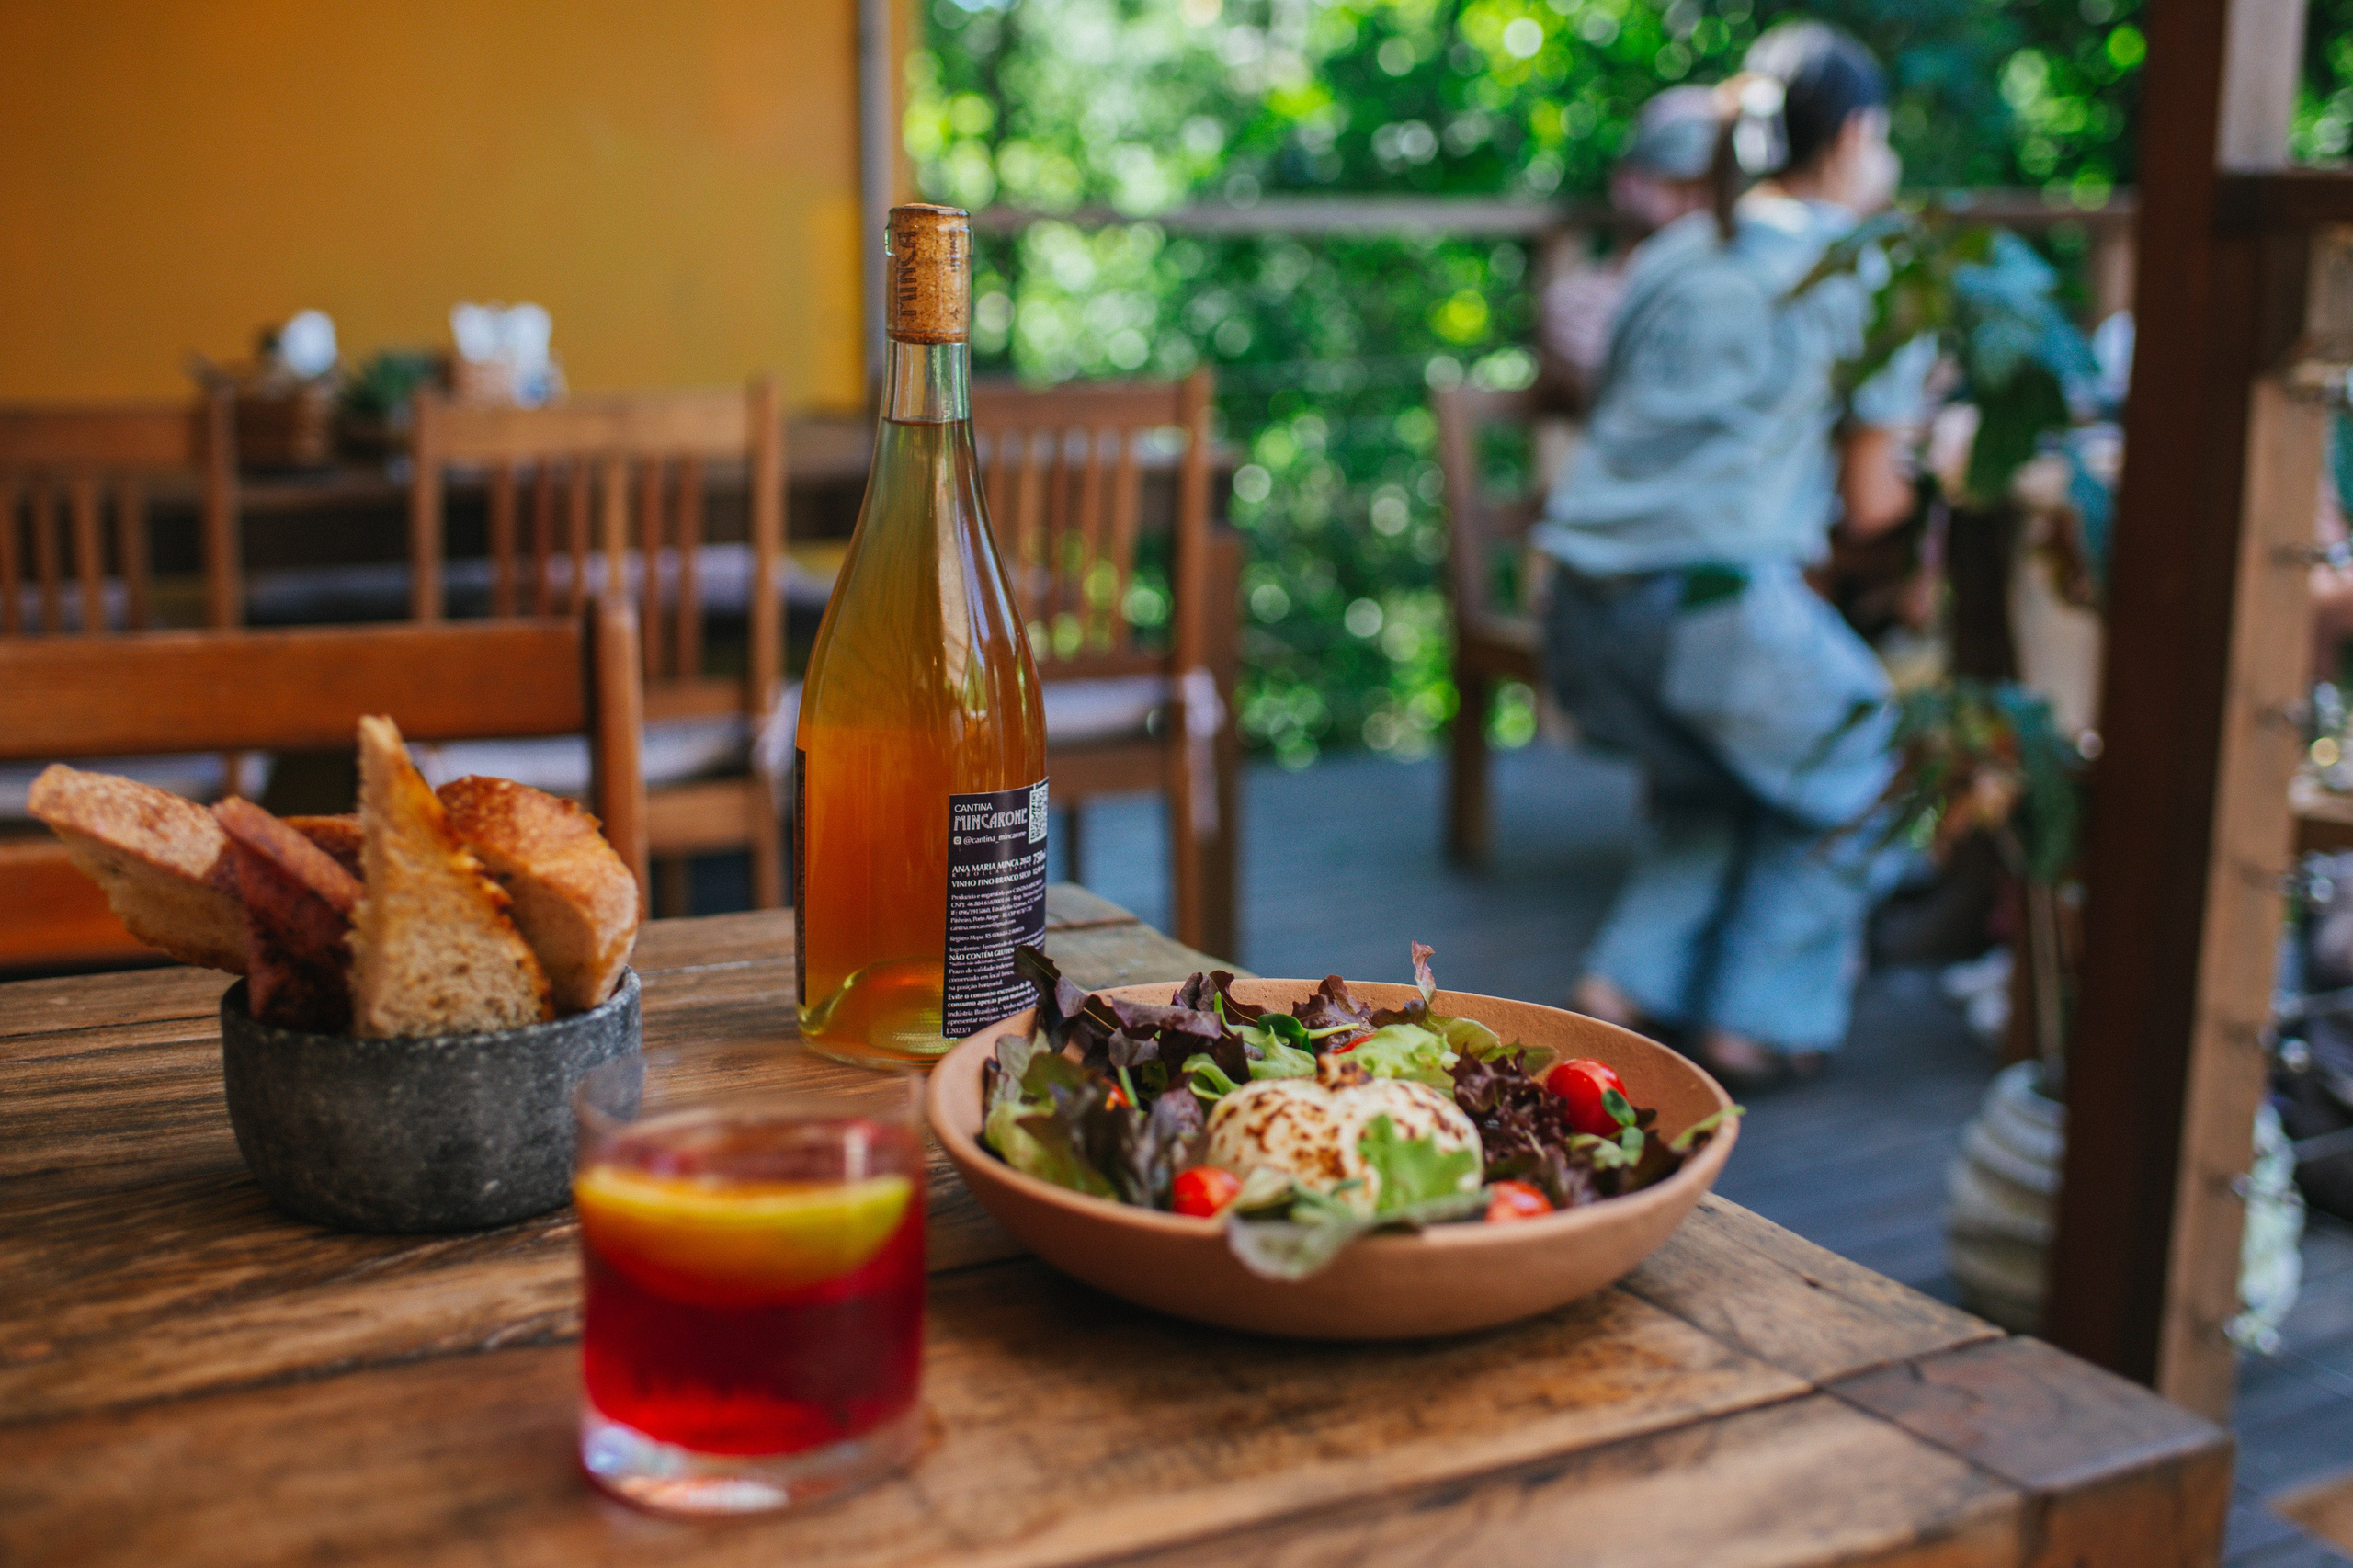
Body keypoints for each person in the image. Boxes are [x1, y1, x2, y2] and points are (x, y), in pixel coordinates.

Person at [1538, 21, 1930, 1085]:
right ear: (1854, 136)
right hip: (1704, 608)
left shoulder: (1672, 255)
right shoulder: (1862, 267)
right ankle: (1754, 1023)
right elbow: (1872, 507)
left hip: (1578, 611)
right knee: (1877, 760)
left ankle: (1624, 986)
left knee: (1721, 777)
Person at [1539, 85, 1721, 405]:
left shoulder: (1744, 289)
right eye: (1679, 185)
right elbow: (1631, 395)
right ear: (1626, 183)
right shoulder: (1577, 303)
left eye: (1711, 189)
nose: (1695, 206)